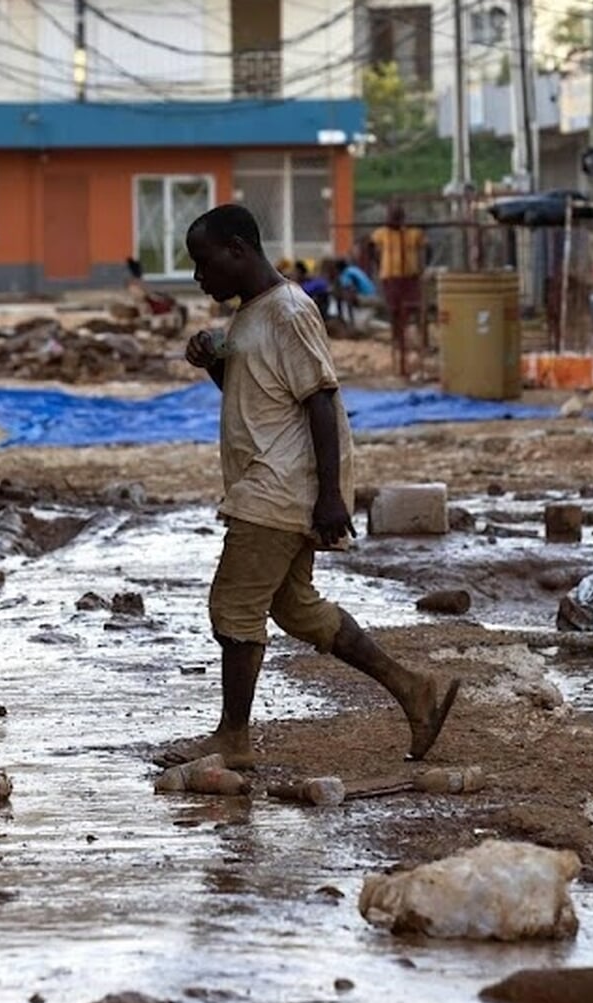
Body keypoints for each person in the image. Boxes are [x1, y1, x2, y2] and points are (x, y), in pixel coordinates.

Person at [161, 203, 460, 770]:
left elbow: (321, 400)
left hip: (277, 488)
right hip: (270, 481)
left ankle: (233, 738)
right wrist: (210, 363)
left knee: (234, 607)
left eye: (203, 263)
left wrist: (330, 496)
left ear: (237, 251)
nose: (200, 278)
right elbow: (256, 391)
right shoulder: (253, 314)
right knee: (296, 607)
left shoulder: (290, 312)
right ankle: (413, 690)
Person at [369, 204, 428, 374]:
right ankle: (397, 339)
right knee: (394, 309)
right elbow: (370, 245)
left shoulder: (412, 234)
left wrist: (423, 266)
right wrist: (378, 262)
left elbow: (426, 246)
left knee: (413, 307)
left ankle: (418, 342)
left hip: (410, 275)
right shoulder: (382, 234)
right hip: (390, 276)